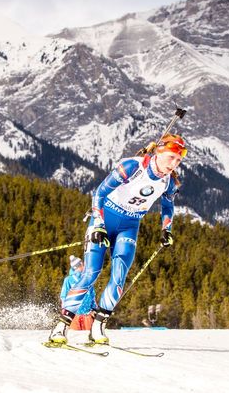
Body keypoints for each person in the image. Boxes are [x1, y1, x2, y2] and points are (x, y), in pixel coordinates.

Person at [49, 133, 186, 344]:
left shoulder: (169, 182)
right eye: (171, 157)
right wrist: (98, 225)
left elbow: (168, 206)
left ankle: (99, 326)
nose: (174, 164)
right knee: (90, 273)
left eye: (178, 160)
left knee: (119, 274)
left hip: (130, 226)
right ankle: (61, 326)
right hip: (105, 219)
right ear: (159, 152)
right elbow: (100, 193)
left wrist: (166, 230)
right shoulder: (133, 166)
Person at [60, 255, 96, 330]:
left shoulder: (88, 279)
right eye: (82, 264)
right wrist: (64, 309)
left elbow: (92, 295)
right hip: (73, 315)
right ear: (78, 266)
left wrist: (94, 309)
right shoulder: (69, 280)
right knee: (75, 336)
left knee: (88, 336)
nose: (84, 266)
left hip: (87, 314)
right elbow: (63, 296)